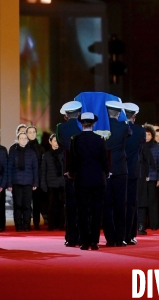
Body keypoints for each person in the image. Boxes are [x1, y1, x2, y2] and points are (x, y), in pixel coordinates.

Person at [68, 112, 109, 250]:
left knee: (82, 211)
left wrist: (72, 173)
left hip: (81, 180)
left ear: (81, 123)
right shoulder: (100, 139)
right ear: (94, 124)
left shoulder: (75, 140)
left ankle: (84, 242)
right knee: (97, 211)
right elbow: (104, 160)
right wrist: (107, 173)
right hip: (98, 180)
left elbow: (73, 161)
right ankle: (94, 242)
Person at [103, 99, 130, 247]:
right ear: (119, 113)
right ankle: (120, 238)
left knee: (107, 206)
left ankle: (110, 238)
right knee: (121, 205)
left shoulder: (101, 128)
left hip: (105, 170)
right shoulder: (124, 127)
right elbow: (129, 133)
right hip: (120, 170)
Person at [56, 99, 82, 247]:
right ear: (78, 114)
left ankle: (71, 237)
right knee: (83, 204)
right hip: (82, 169)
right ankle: (82, 236)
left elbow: (60, 144)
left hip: (67, 169)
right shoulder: (82, 127)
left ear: (66, 115)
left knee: (70, 205)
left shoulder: (60, 128)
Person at [123, 102, 145, 245]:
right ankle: (131, 235)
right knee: (132, 204)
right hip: (133, 170)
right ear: (134, 117)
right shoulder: (140, 131)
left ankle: (119, 235)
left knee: (118, 203)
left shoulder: (117, 129)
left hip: (118, 170)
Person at [7, 131, 39, 232]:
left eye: (25, 138)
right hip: (16, 182)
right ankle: (18, 225)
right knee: (17, 204)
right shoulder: (13, 153)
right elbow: (9, 169)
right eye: (22, 138)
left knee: (26, 205)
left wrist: (35, 182)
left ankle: (26, 225)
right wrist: (9, 183)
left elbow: (35, 169)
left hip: (28, 182)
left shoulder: (32, 153)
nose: (24, 140)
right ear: (18, 140)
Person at [138, 124, 159, 233]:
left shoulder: (156, 146)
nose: (147, 136)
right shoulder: (139, 145)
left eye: (149, 134)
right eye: (145, 134)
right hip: (141, 178)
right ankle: (141, 224)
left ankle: (154, 224)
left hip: (153, 177)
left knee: (152, 202)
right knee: (141, 202)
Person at [40, 134, 65, 231]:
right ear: (50, 142)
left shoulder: (63, 153)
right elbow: (43, 171)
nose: (56, 143)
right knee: (51, 205)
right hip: (51, 184)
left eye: (58, 141)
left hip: (62, 183)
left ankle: (61, 224)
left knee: (62, 205)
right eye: (54, 141)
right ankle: (51, 224)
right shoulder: (46, 155)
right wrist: (43, 184)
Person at [26, 125, 45, 230]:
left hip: (37, 179)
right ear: (27, 134)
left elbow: (42, 165)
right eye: (30, 132)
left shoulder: (41, 148)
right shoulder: (25, 147)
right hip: (27, 178)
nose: (32, 134)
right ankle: (27, 223)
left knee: (37, 203)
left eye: (34, 132)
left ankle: (36, 224)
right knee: (27, 202)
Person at [0, 144, 8, 232]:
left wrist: (2, 185)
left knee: (1, 207)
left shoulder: (2, 150)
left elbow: (6, 169)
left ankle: (1, 225)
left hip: (0, 184)